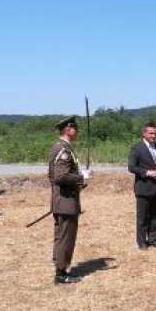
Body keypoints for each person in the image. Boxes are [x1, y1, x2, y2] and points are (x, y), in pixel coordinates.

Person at [48, 116, 91, 284]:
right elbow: (60, 176)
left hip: (63, 199)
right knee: (65, 237)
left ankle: (61, 269)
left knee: (62, 236)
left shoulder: (60, 147)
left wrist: (78, 182)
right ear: (68, 130)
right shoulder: (63, 150)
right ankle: (61, 273)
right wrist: (81, 176)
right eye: (75, 128)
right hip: (65, 202)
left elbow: (53, 176)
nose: (77, 131)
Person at [127, 121, 156, 249]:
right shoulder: (137, 148)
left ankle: (153, 239)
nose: (153, 136)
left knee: (155, 215)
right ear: (144, 133)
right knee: (142, 217)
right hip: (143, 188)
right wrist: (147, 173)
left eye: (155, 133)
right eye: (151, 133)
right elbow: (131, 167)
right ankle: (141, 242)